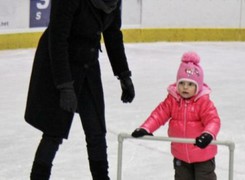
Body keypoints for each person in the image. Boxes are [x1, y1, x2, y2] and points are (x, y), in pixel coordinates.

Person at [24, 0, 135, 179]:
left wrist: (124, 74)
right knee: (54, 131)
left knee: (96, 130)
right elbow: (57, 39)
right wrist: (65, 86)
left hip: (88, 63)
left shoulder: (113, 2)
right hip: (59, 64)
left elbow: (112, 33)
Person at [132, 52, 221, 180]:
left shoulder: (203, 102)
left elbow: (213, 120)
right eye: (182, 83)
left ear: (198, 86)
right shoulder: (172, 100)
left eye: (190, 84)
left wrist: (208, 134)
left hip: (203, 155)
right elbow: (159, 114)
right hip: (181, 155)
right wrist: (146, 128)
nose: (185, 87)